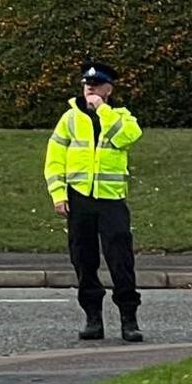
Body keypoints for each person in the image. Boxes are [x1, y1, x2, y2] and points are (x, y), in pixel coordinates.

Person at [46, 62, 145, 343]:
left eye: (97, 84)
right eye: (86, 83)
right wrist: (58, 194)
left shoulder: (122, 117)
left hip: (111, 199)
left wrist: (102, 110)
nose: (89, 87)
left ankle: (129, 319)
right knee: (83, 258)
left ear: (108, 89)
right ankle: (93, 318)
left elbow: (127, 138)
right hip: (79, 198)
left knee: (120, 258)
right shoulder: (69, 118)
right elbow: (54, 158)